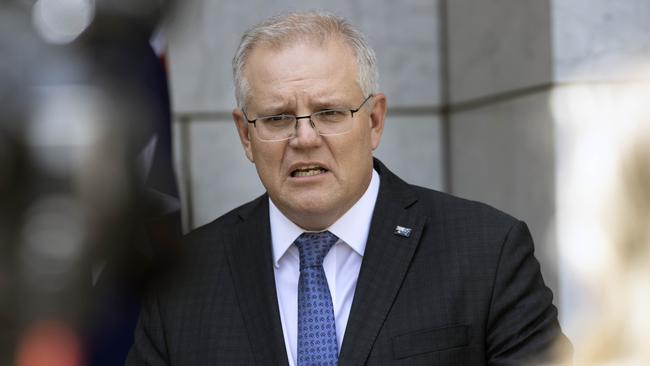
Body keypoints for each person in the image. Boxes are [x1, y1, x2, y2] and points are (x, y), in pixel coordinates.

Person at [126, 11, 569, 365]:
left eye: (330, 112)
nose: (304, 138)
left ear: (374, 120)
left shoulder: (487, 253)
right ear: (246, 136)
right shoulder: (179, 282)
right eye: (278, 118)